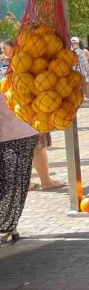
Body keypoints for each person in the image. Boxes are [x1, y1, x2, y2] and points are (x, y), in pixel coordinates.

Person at [0, 96, 40, 245]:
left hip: (17, 133)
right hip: (20, 132)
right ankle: (9, 227)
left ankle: (7, 227)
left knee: (13, 184)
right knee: (13, 184)